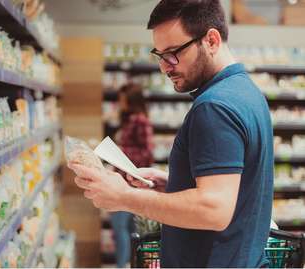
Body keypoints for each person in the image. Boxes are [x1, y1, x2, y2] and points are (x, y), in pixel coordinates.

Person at [68, 0, 274, 267]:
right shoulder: (247, 92)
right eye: (160, 55)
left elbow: (214, 210)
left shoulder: (214, 107)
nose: (165, 66)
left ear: (211, 40)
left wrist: (124, 197)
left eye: (174, 52)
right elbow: (237, 189)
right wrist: (176, 183)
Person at [110, 84, 154, 268]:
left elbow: (147, 153)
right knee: (128, 229)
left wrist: (121, 151)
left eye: (122, 99)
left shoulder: (141, 121)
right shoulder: (129, 120)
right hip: (123, 179)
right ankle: (131, 264)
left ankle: (123, 265)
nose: (120, 103)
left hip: (131, 183)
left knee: (120, 228)